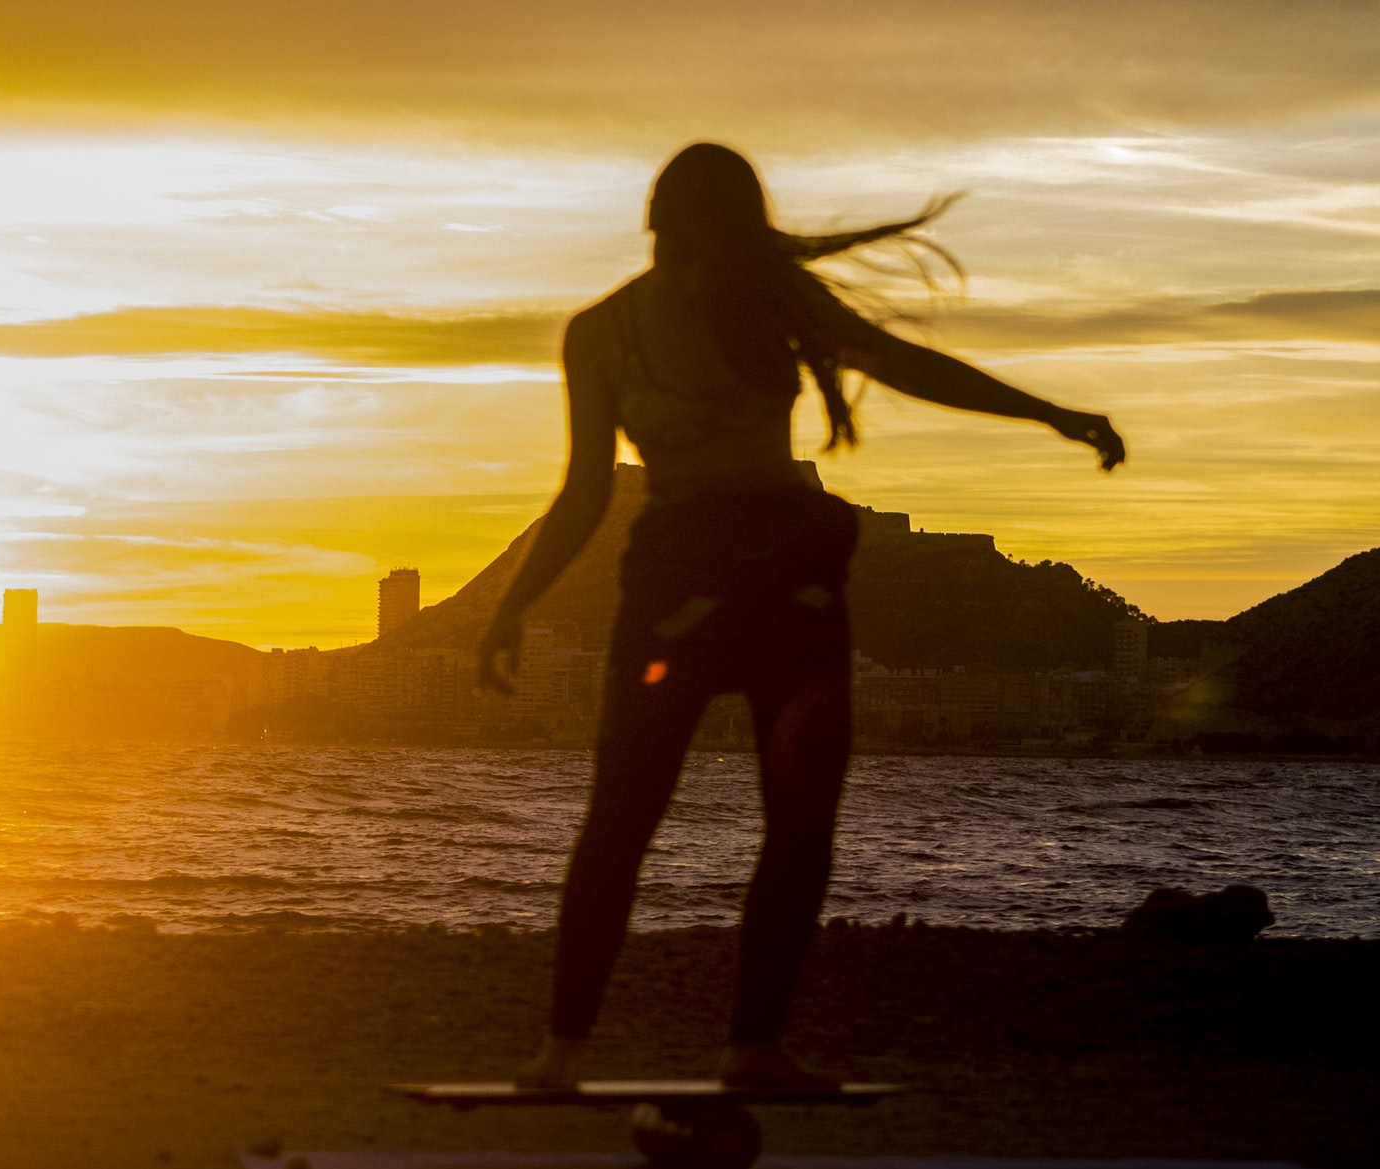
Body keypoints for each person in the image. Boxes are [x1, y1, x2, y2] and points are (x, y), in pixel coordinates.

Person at [479, 143, 1124, 1091]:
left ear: (685, 223)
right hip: (721, 576)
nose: (677, 249)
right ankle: (593, 1050)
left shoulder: (741, 306)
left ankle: (709, 1050)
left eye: (686, 229)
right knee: (655, 818)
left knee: (755, 819)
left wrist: (1052, 414)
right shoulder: (628, 326)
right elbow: (581, 490)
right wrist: (512, 605)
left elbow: (903, 364)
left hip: (762, 576)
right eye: (676, 233)